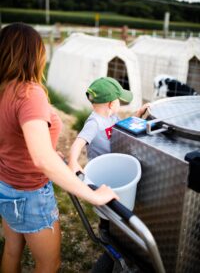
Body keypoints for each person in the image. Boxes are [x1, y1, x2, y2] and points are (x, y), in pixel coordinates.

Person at [0, 23, 119, 273]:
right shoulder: (29, 93)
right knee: (49, 264)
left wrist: (45, 149)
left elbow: (12, 138)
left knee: (12, 250)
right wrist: (93, 195)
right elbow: (42, 159)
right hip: (30, 193)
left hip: (6, 185)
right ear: (34, 55)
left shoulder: (4, 90)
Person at [68, 77, 148, 239]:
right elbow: (78, 143)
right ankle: (105, 232)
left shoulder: (111, 117)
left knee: (115, 203)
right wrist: (72, 162)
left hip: (114, 166)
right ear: (111, 104)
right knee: (106, 208)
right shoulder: (94, 123)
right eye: (119, 101)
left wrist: (137, 115)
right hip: (101, 173)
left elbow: (121, 128)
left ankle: (114, 229)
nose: (120, 104)